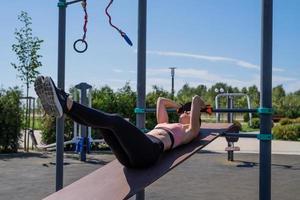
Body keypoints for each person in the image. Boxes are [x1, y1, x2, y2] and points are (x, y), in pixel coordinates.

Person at [34, 76, 206, 168]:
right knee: (104, 124)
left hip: (149, 152)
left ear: (194, 117)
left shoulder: (189, 131)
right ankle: (65, 107)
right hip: (130, 158)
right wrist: (179, 106)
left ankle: (66, 103)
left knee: (115, 120)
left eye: (189, 112)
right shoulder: (165, 123)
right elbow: (161, 100)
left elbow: (196, 99)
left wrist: (197, 107)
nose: (186, 112)